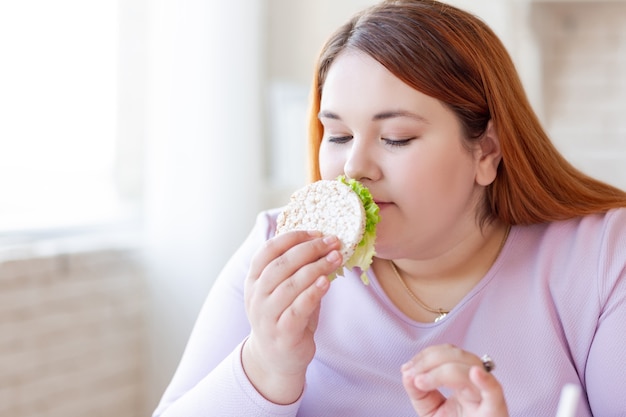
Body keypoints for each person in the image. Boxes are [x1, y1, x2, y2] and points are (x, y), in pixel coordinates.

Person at [152, 0, 626, 416]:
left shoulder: (602, 258)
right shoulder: (280, 253)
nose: (354, 167)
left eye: (396, 138)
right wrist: (265, 365)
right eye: (337, 136)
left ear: (487, 152)